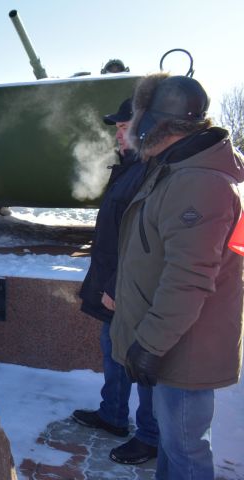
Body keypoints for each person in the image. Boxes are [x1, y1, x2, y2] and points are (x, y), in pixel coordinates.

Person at [111, 73, 244, 479]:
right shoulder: (178, 166)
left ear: (154, 123)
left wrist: (149, 343)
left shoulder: (198, 180)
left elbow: (188, 278)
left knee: (185, 451)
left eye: (138, 118)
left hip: (184, 348)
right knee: (173, 447)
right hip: (173, 340)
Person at [72, 98, 159, 464]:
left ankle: (151, 435)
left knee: (141, 361)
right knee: (113, 350)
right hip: (113, 281)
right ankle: (113, 414)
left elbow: (144, 237)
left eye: (124, 128)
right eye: (117, 129)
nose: (118, 135)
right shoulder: (128, 167)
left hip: (129, 289)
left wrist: (116, 285)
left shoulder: (149, 170)